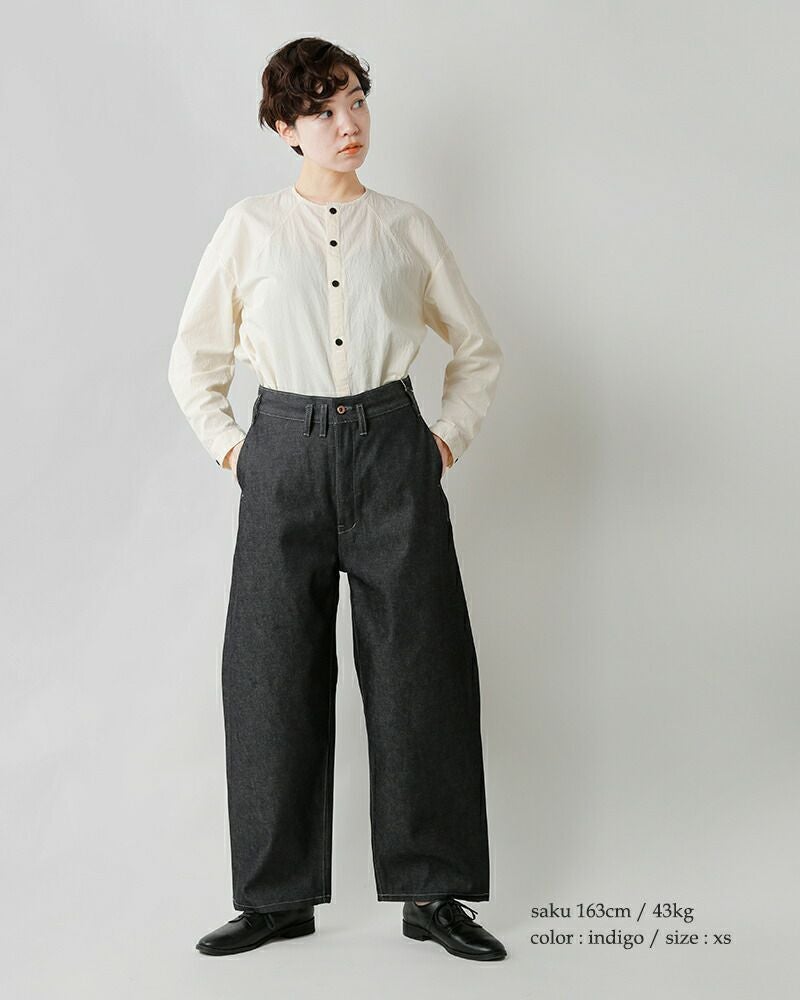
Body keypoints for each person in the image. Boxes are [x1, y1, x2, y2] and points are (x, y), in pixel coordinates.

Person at [167, 36, 506, 962]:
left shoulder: (406, 228)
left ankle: (432, 893)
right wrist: (236, 451)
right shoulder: (249, 228)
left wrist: (442, 440)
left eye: (354, 100)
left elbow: (477, 349)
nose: (346, 122)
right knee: (269, 672)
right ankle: (276, 898)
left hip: (394, 448)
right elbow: (194, 359)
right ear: (284, 127)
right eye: (320, 109)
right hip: (282, 449)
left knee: (421, 668)